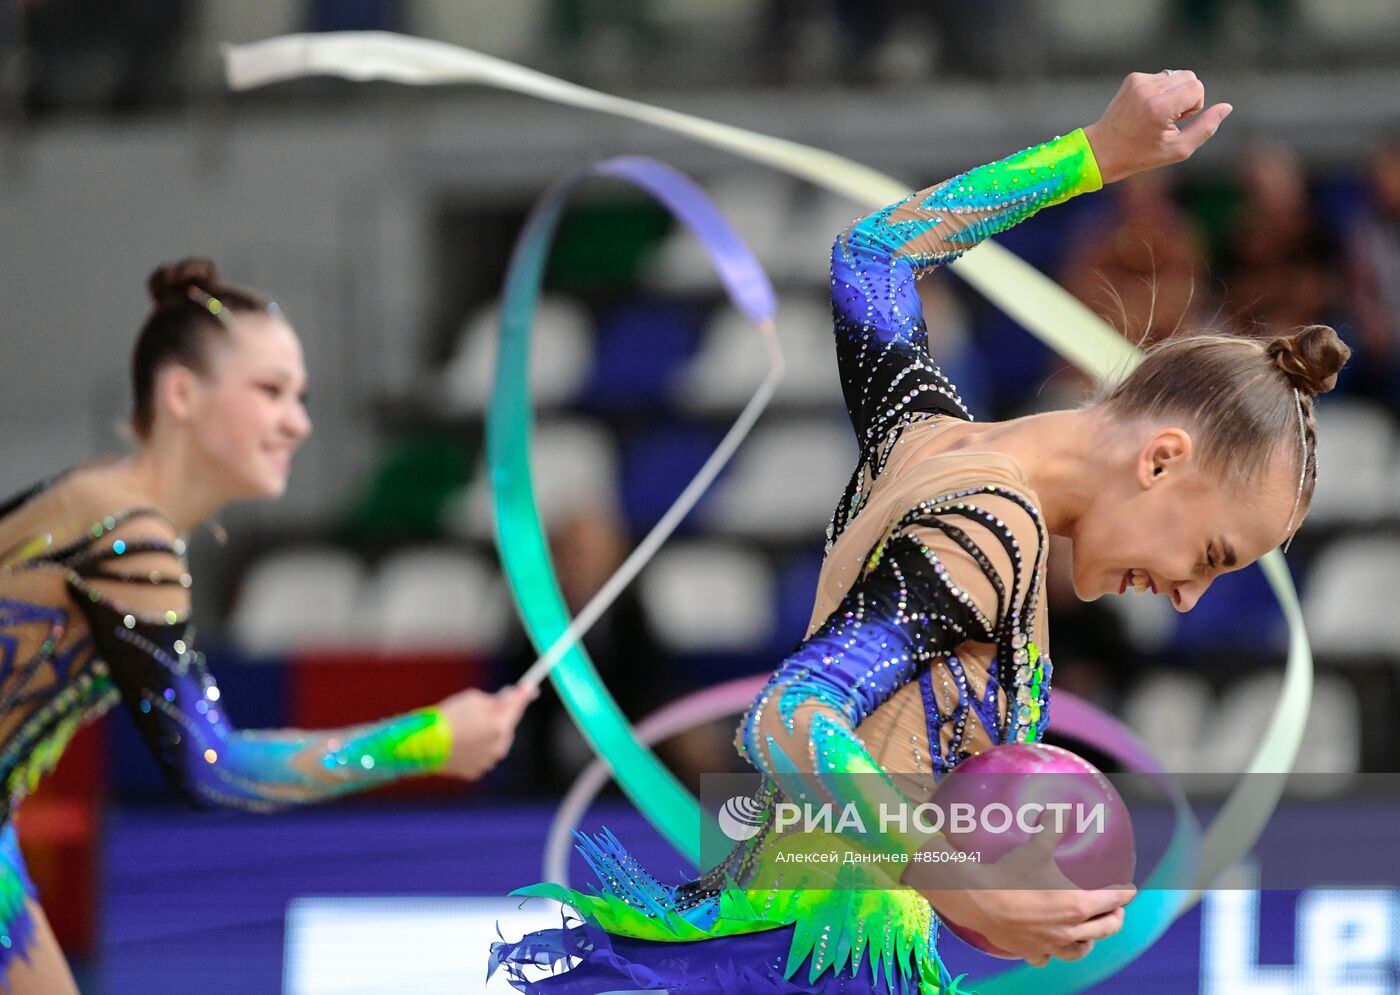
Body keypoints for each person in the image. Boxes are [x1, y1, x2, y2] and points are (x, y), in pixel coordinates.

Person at [490, 70, 1347, 993]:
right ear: (1162, 458)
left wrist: (1090, 155)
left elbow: (874, 255)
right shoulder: (991, 530)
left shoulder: (926, 432)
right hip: (820, 964)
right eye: (1212, 555)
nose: (1187, 593)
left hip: (791, 931)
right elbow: (793, 718)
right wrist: (963, 875)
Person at [0, 260, 536, 993]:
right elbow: (215, 771)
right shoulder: (128, 533)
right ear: (182, 393)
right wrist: (429, 741)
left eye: (301, 396)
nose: (299, 420)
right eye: (271, 391)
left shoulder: (107, 503)